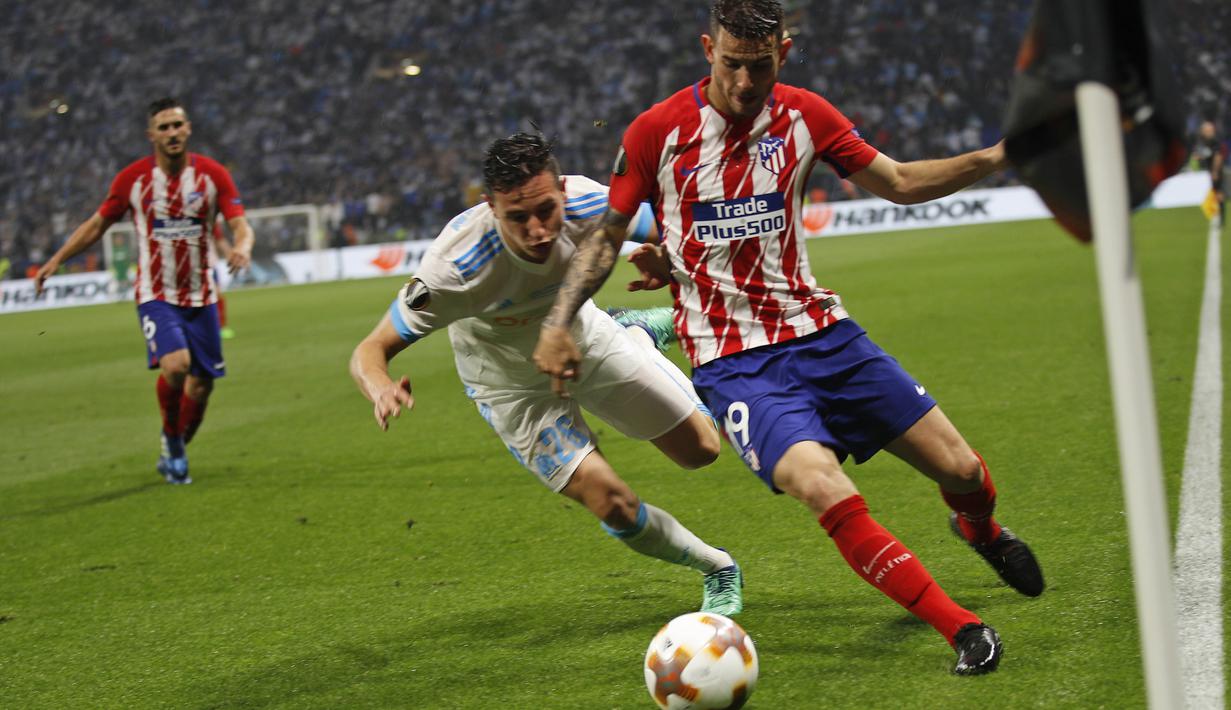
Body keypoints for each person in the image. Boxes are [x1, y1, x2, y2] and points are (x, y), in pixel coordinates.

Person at [534, 0, 1045, 675]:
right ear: (705, 48)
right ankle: (961, 629)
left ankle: (977, 528)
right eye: (731, 64)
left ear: (785, 50)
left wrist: (999, 154)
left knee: (960, 470)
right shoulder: (657, 130)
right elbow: (606, 236)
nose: (745, 83)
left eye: (760, 65)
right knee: (819, 484)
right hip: (733, 363)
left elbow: (896, 182)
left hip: (825, 336)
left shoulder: (807, 116)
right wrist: (559, 320)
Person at [350, 133, 743, 616]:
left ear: (561, 190)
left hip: (585, 341)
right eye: (518, 217)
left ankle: (635, 332)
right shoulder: (454, 267)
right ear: (491, 208)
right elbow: (371, 348)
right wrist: (380, 386)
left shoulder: (587, 201)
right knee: (612, 503)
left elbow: (677, 226)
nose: (537, 230)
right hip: (510, 386)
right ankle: (718, 568)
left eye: (546, 211)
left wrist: (669, 259)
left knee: (701, 452)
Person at [34, 97, 253, 484]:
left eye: (177, 125)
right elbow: (97, 224)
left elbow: (240, 223)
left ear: (188, 129)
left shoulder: (213, 176)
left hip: (202, 296)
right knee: (177, 365)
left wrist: (243, 247)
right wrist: (58, 258)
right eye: (164, 127)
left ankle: (175, 446)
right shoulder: (133, 180)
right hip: (156, 293)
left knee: (201, 386)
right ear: (151, 135)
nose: (172, 133)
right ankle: (171, 438)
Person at [1192, 120, 1227, 225]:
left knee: (1218, 193)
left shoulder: (1215, 142)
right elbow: (1196, 155)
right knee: (1207, 194)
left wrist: (1215, 171)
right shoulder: (1200, 142)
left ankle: (1221, 218)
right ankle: (1212, 214)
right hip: (1204, 172)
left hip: (1215, 171)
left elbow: (1218, 157)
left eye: (1210, 130)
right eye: (1206, 130)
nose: (1209, 132)